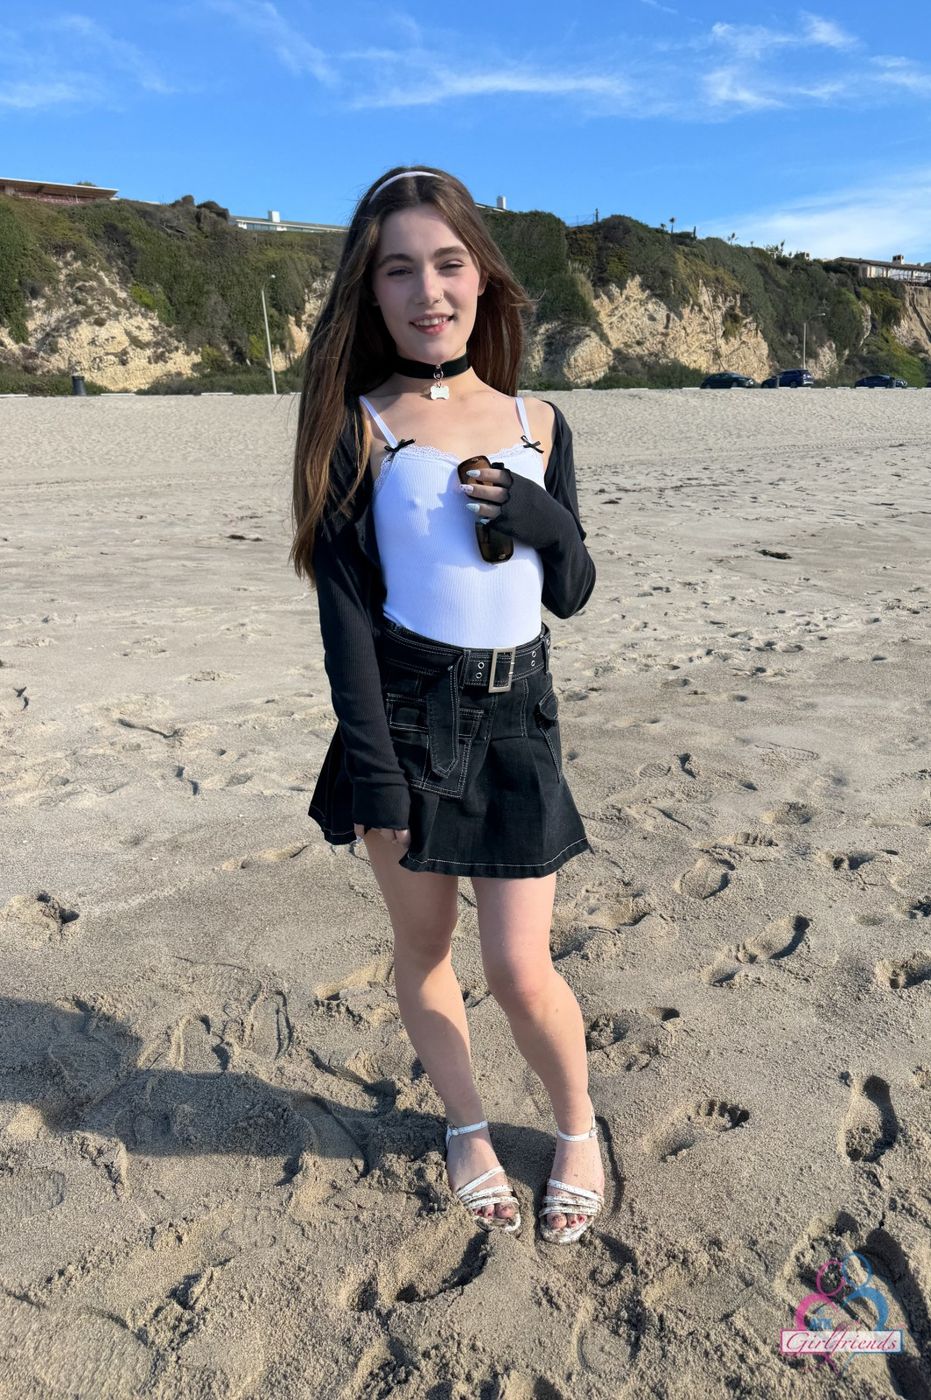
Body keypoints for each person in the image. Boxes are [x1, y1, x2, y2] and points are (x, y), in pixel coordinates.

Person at [290, 165, 604, 1244]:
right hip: (407, 717)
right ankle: (466, 1125)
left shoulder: (539, 419)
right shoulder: (357, 425)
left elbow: (570, 590)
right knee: (422, 946)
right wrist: (374, 771)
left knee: (519, 967)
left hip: (518, 718)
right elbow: (344, 618)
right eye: (398, 270)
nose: (427, 290)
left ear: (482, 277)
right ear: (369, 291)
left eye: (447, 263)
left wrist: (544, 520)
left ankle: (577, 1128)